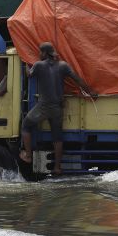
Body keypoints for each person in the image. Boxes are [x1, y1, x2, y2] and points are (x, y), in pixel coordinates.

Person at [19, 42, 96, 175]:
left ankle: (28, 156)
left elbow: (29, 74)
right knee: (57, 137)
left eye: (40, 52)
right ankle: (57, 167)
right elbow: (77, 79)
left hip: (43, 106)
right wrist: (90, 92)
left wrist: (26, 63)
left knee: (26, 125)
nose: (39, 54)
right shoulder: (63, 65)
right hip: (57, 107)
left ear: (44, 53)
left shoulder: (38, 65)